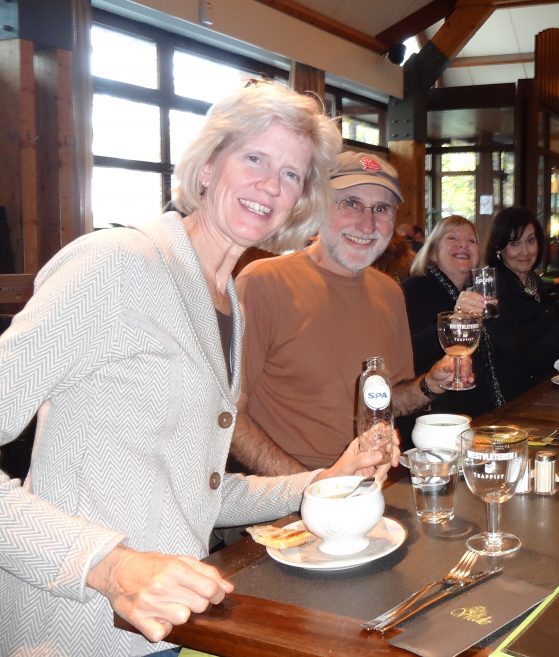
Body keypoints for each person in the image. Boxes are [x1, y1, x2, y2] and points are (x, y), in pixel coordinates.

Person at [0, 83, 397, 657]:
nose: (270, 185)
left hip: (178, 623)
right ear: (208, 165)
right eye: (254, 158)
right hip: (76, 628)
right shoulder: (116, 264)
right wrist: (109, 566)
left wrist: (322, 482)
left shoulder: (228, 301)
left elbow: (196, 489)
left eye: (290, 174)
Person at [230, 151, 462, 475]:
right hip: (289, 498)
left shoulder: (389, 293)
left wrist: (430, 384)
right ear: (318, 207)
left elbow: (386, 400)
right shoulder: (262, 283)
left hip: (371, 486)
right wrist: (316, 487)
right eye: (351, 203)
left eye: (381, 209)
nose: (367, 224)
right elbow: (228, 414)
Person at [481, 207, 559, 401]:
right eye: (515, 243)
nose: (525, 251)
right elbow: (526, 362)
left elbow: (558, 340)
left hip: (547, 387)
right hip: (516, 400)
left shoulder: (534, 282)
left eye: (530, 241)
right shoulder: (494, 291)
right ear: (499, 248)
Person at [401, 215, 503, 420]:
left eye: (471, 241)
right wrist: (455, 320)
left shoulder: (476, 295)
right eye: (452, 238)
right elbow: (408, 353)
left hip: (476, 413)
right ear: (433, 253)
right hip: (433, 416)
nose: (463, 245)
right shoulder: (413, 290)